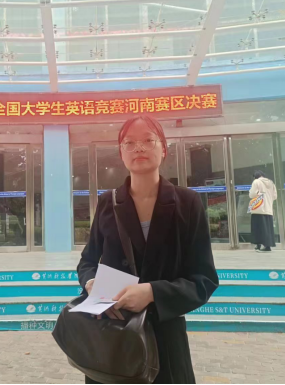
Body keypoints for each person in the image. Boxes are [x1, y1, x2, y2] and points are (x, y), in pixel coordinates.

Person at [78, 116, 219, 385]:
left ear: (163, 148)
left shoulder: (187, 203)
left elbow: (204, 280)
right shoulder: (108, 202)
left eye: (148, 140)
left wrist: (153, 292)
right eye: (129, 143)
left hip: (165, 342)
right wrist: (91, 282)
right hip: (112, 336)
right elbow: (87, 261)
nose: (139, 148)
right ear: (121, 153)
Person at [249, 171, 278, 253]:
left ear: (255, 176)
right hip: (268, 209)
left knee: (258, 228)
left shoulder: (256, 182)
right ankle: (267, 246)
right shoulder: (271, 183)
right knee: (267, 228)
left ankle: (258, 245)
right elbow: (275, 196)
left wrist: (257, 194)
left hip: (258, 209)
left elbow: (252, 194)